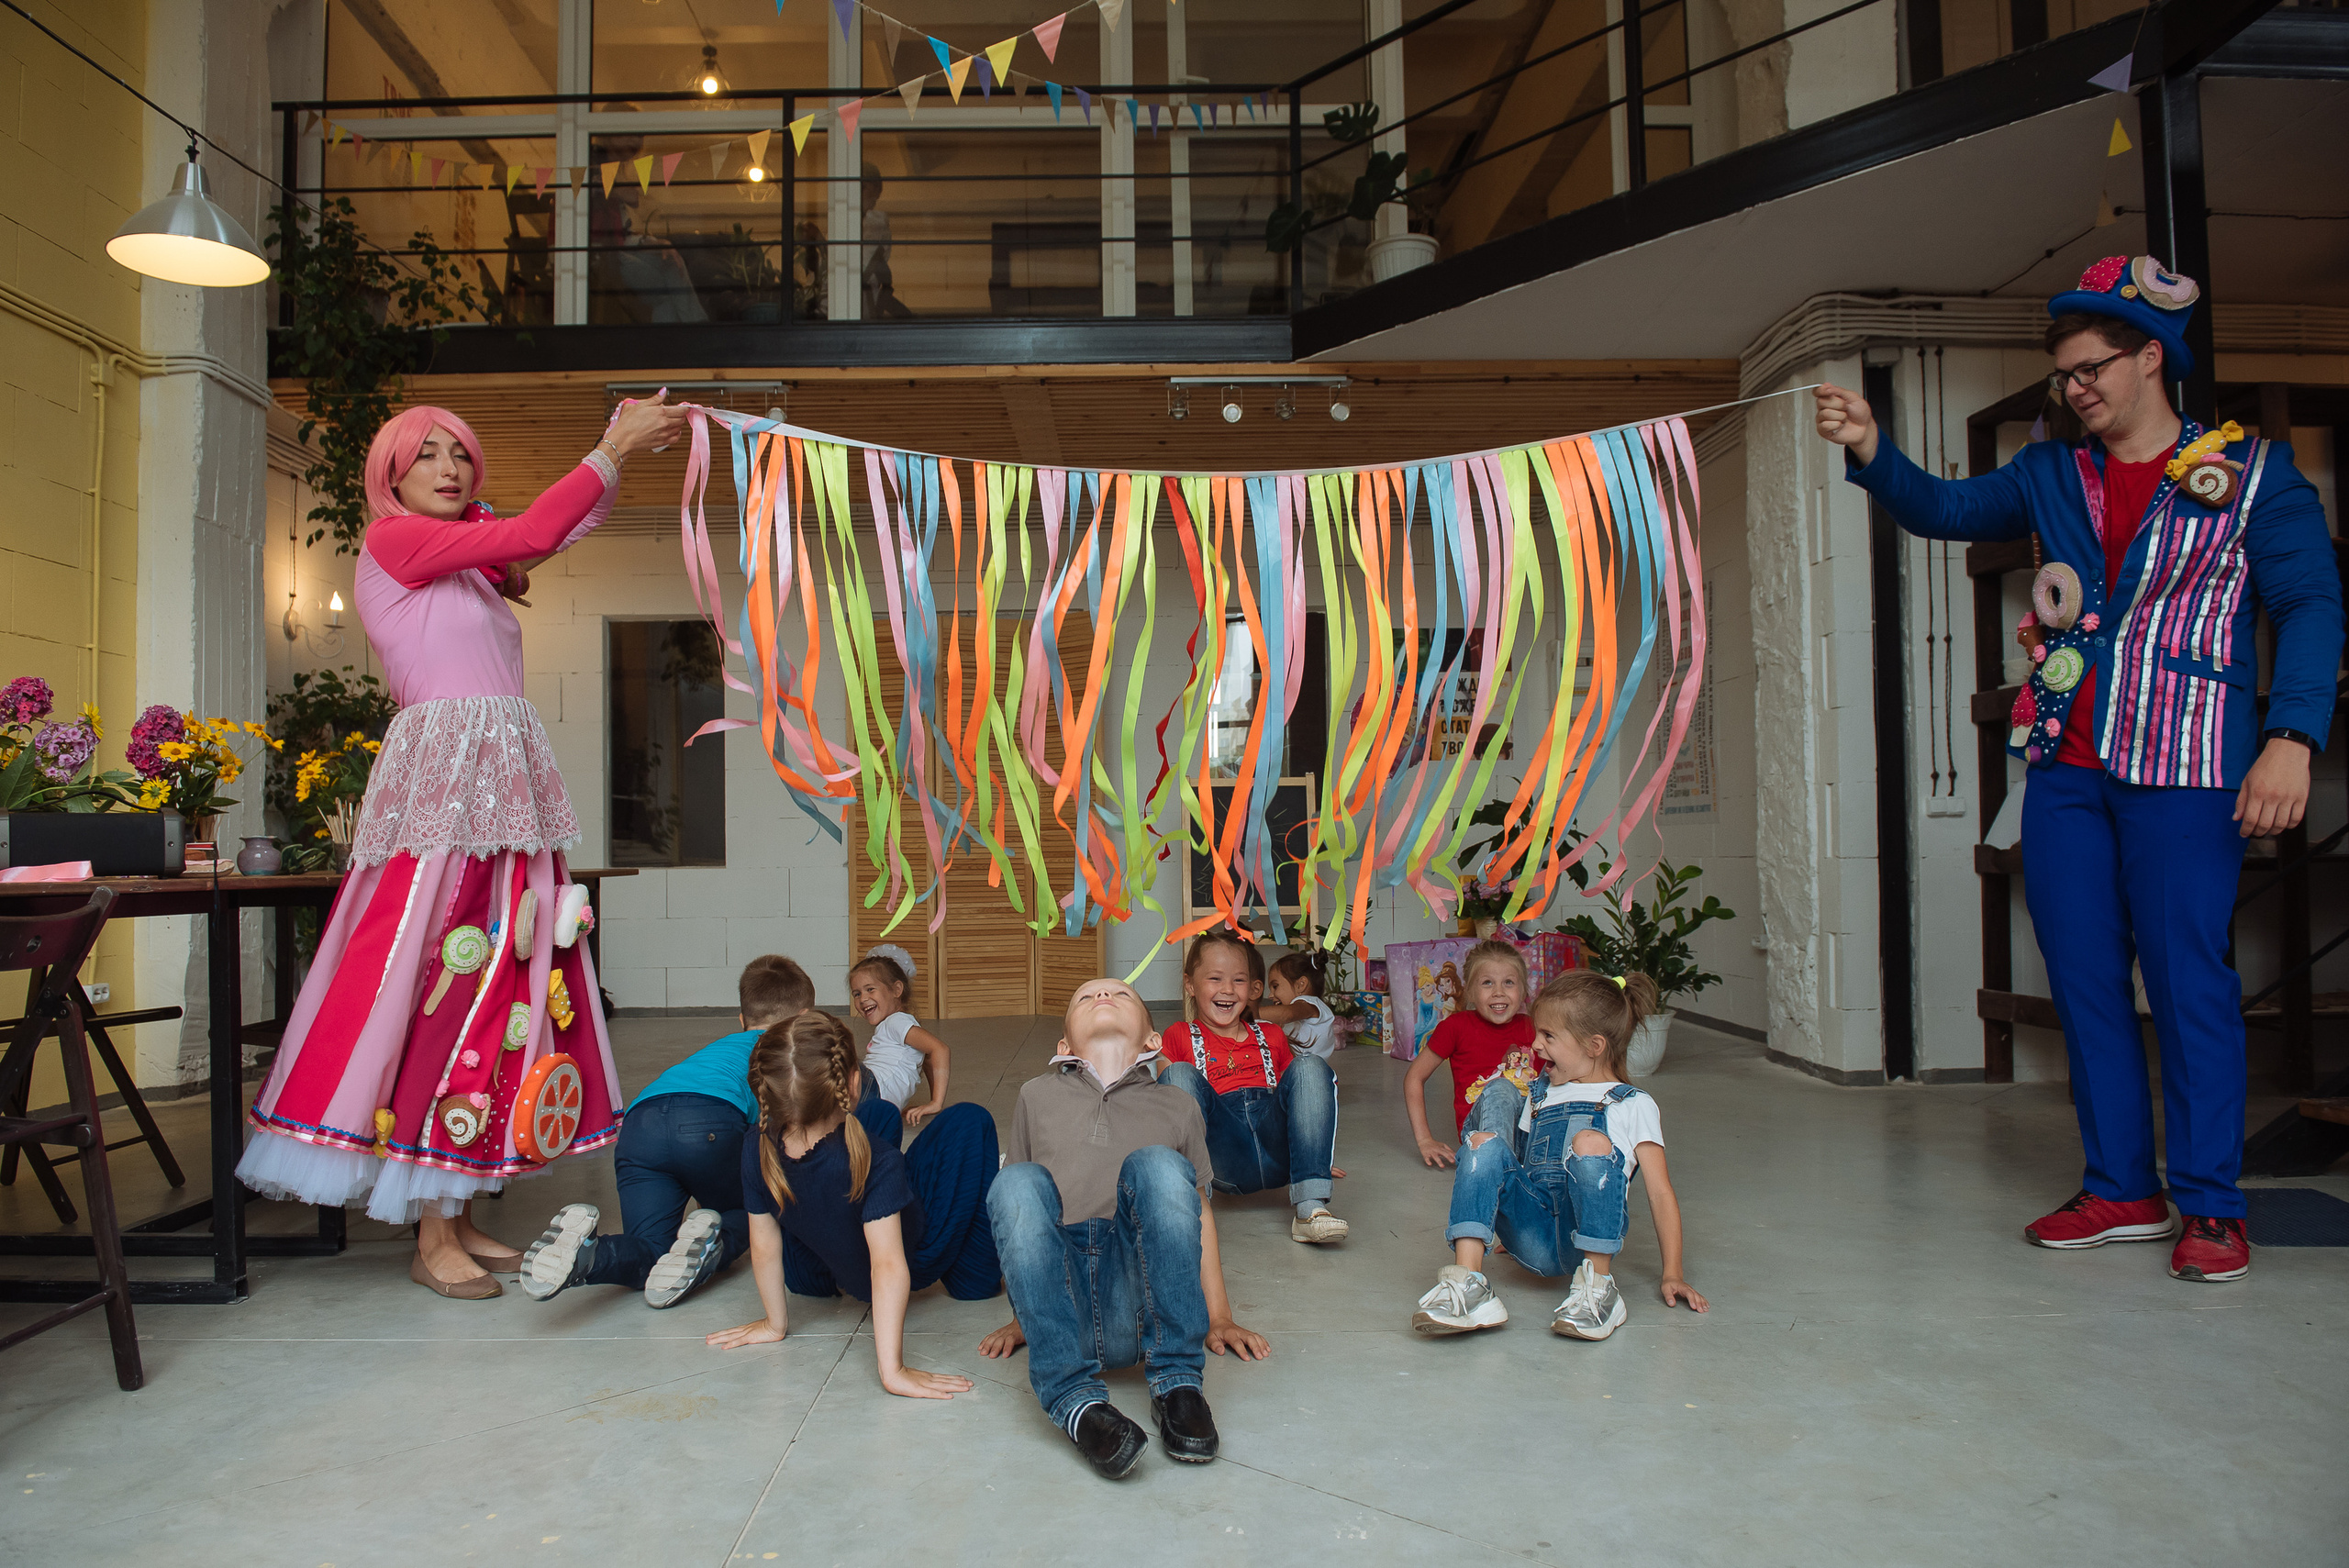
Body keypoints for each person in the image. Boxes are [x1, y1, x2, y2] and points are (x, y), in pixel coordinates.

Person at [1817, 254, 2343, 1284]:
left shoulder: (2255, 474)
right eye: (2065, 375)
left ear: (2153, 358)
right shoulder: (2055, 472)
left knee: (2188, 980)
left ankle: (2209, 1203)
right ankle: (2121, 1189)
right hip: (2064, 763)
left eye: (2092, 368)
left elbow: (2311, 607)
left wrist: (2292, 736)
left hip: (2188, 764)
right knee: (2087, 983)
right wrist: (1876, 449)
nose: (2076, 388)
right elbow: (1947, 510)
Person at [236, 394, 692, 1298]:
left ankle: (460, 1206)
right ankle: (429, 1227)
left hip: (496, 795)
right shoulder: (393, 543)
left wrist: (621, 455)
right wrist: (608, 444)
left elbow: (545, 534)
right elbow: (532, 531)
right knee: (444, 984)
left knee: (496, 984)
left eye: (461, 454)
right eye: (428, 453)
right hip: (448, 798)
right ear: (391, 475)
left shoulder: (469, 568)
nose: (450, 467)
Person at [979, 976, 1270, 1479]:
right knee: (1016, 1181)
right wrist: (1024, 1313)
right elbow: (1021, 1217)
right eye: (1086, 996)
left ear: (1153, 1042)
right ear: (1063, 1045)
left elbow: (1197, 1213)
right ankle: (1075, 1402)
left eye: (1121, 994)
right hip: (1062, 1312)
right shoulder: (1035, 1094)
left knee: (1159, 1166)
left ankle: (1178, 1382)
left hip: (1140, 1299)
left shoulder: (1177, 1104)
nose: (1103, 997)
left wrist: (1219, 1316)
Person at [707, 1011, 1001, 1399]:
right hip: (911, 1258)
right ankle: (972, 1277)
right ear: (853, 1080)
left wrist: (774, 1325)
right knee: (969, 1120)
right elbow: (888, 1264)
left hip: (817, 1269)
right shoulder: (878, 1160)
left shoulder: (754, 1146)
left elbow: (763, 1245)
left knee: (878, 1115)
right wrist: (892, 1370)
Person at [1413, 971, 1707, 1339]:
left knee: (1590, 1141)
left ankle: (1598, 1288)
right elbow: (1514, 1167)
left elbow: (1660, 1192)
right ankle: (1469, 1285)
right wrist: (1507, 1215)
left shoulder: (1632, 1104)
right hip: (1531, 1235)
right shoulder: (1538, 1094)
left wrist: (1673, 1273)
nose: (1535, 1045)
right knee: (1482, 1142)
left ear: (1594, 1045)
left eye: (1548, 1036)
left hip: (1578, 1240)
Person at [517, 955, 812, 1308]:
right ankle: (711, 1237)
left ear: (741, 1020)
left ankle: (587, 1255)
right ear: (805, 1020)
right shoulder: (788, 1052)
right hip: (711, 1122)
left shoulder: (716, 1052)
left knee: (651, 1250)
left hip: (641, 1125)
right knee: (756, 1208)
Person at [1158, 930, 1347, 1245]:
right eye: (1215, 979)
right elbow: (1168, 1109)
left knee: (1311, 1066)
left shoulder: (1271, 1034)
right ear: (1190, 984)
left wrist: (1314, 1152)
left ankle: (1310, 1206)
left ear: (1253, 987)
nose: (1228, 990)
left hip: (1276, 1151)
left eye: (1239, 980)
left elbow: (1303, 1096)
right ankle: (1190, 1206)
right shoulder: (1178, 1035)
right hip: (1221, 1154)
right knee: (1177, 1074)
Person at [1404, 940, 1537, 1169]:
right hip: (1480, 1134)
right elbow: (1414, 1078)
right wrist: (1425, 1140)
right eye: (1487, 983)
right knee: (1501, 1087)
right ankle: (1497, 1170)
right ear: (1470, 992)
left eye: (1509, 983)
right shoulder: (1456, 1027)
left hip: (1530, 1133)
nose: (1498, 992)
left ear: (1523, 990)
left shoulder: (1537, 1028)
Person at [848, 944, 951, 1126]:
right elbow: (928, 1057)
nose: (862, 999)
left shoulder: (896, 1021)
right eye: (857, 993)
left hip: (871, 1088)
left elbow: (939, 1049)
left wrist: (936, 1103)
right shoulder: (894, 1025)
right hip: (875, 1099)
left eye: (870, 989)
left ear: (897, 990)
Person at [1256, 950, 1339, 1062]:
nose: (1270, 995)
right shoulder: (1301, 1013)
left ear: (1301, 985)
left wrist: (1246, 1013)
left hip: (1308, 1072)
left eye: (1275, 987)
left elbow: (1288, 1014)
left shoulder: (1310, 1004)